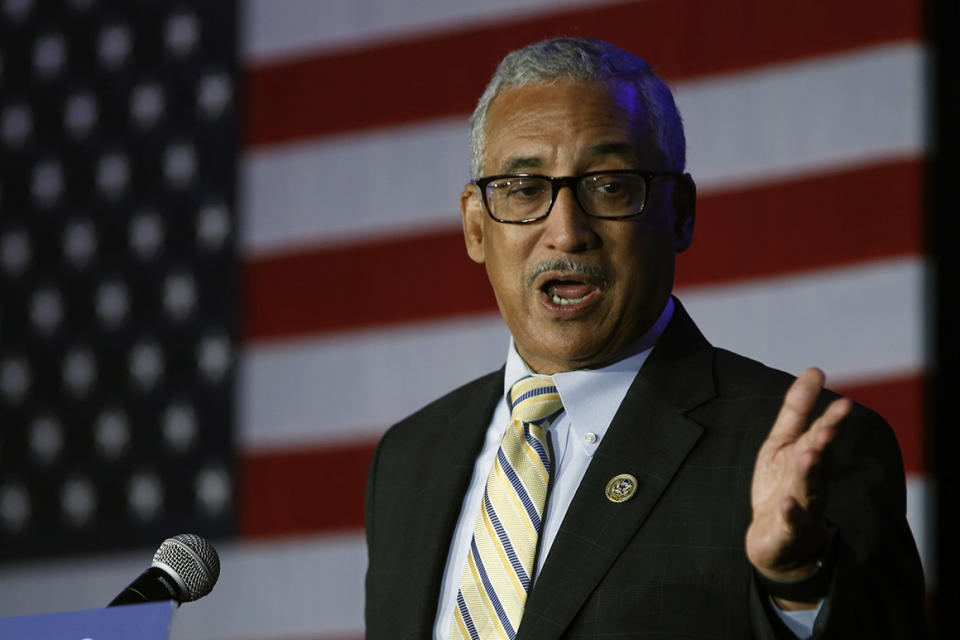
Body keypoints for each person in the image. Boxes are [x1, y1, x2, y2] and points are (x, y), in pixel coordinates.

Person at [364, 38, 926, 639]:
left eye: (609, 185)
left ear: (680, 213)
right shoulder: (408, 460)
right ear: (476, 226)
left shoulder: (805, 453)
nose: (567, 232)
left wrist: (798, 585)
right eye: (524, 189)